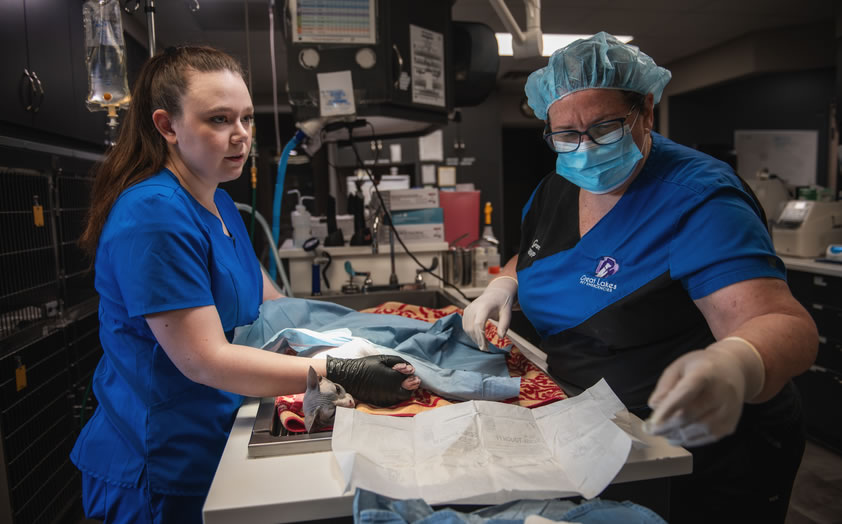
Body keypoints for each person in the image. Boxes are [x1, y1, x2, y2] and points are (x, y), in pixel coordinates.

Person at [462, 32, 817, 523]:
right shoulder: (559, 184)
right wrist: (505, 285)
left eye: (605, 128)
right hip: (591, 424)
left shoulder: (698, 199)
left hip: (700, 445)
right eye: (566, 136)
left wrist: (736, 365)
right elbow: (537, 253)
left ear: (646, 110)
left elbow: (788, 325)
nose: (584, 150)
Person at [71, 45, 420, 524]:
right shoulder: (153, 215)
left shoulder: (220, 204)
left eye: (247, 119)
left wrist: (369, 331)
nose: (241, 137)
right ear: (167, 126)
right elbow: (204, 358)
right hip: (161, 458)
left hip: (218, 432)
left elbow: (275, 309)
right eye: (218, 120)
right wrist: (334, 369)